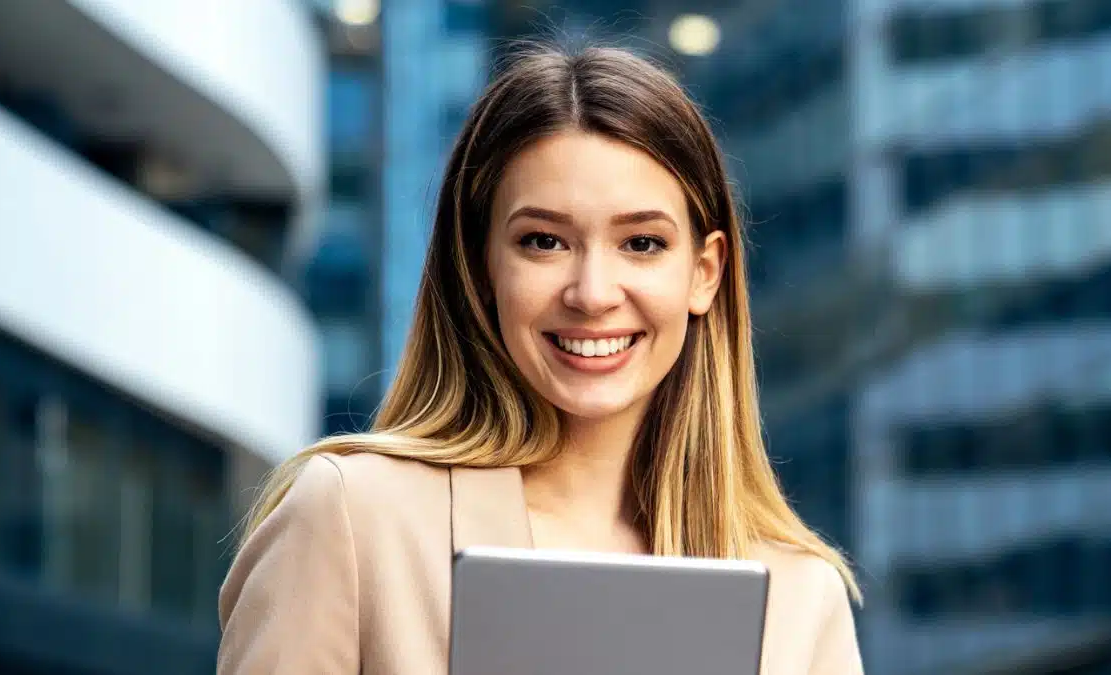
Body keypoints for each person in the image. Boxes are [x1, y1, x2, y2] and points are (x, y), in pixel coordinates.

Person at [217, 42, 864, 674]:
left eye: (641, 242)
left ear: (704, 272)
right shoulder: (351, 520)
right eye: (544, 241)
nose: (592, 294)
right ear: (481, 264)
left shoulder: (801, 596)